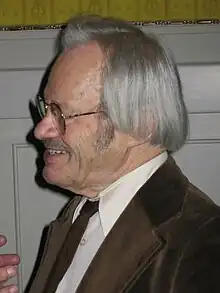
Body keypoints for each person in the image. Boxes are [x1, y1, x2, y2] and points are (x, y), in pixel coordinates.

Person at [1, 15, 220, 293]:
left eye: (62, 114)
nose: (40, 131)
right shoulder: (84, 208)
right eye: (47, 109)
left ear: (140, 124)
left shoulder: (204, 249)